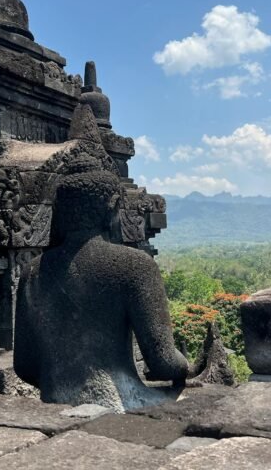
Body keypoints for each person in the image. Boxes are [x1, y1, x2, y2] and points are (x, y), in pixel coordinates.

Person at [13, 167, 188, 411]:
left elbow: (24, 365)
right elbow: (164, 363)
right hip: (121, 403)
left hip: (55, 402)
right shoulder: (135, 266)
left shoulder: (32, 272)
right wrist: (186, 365)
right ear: (112, 208)